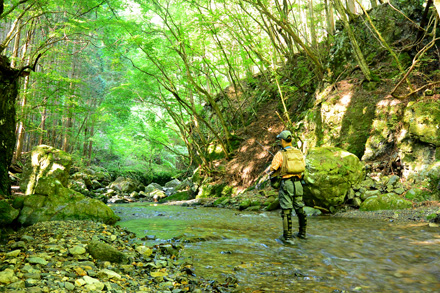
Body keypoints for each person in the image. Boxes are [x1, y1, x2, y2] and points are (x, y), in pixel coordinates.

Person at [269, 130, 307, 244]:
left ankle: (288, 237)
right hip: (299, 184)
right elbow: (303, 166)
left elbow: (273, 168)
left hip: (287, 184)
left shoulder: (281, 154)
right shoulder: (299, 152)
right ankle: (302, 234)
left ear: (282, 140)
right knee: (300, 208)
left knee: (286, 211)